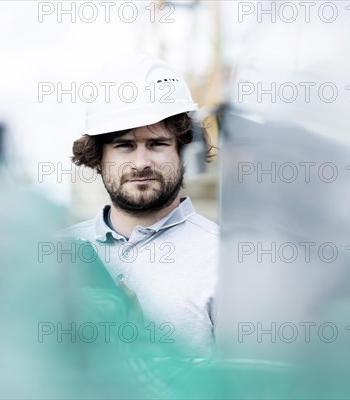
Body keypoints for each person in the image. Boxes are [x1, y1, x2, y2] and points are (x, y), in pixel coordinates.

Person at [61, 53, 218, 355]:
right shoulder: (58, 252)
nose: (141, 163)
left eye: (157, 144)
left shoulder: (224, 260)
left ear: (184, 151)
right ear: (99, 157)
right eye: (124, 145)